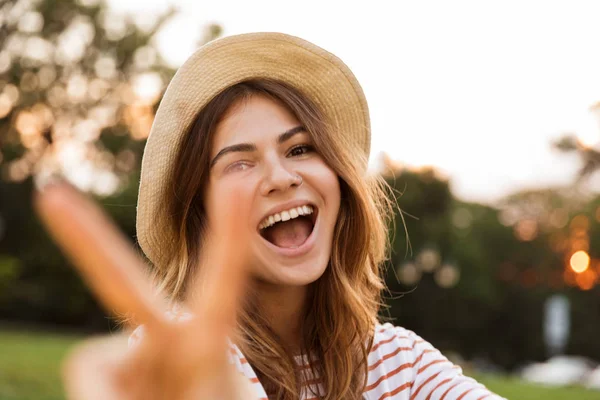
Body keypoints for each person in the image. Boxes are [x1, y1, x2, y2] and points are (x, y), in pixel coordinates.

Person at [35, 32, 505, 399]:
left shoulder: (398, 362)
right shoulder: (180, 358)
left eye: (300, 148)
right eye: (240, 161)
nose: (281, 176)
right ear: (202, 213)